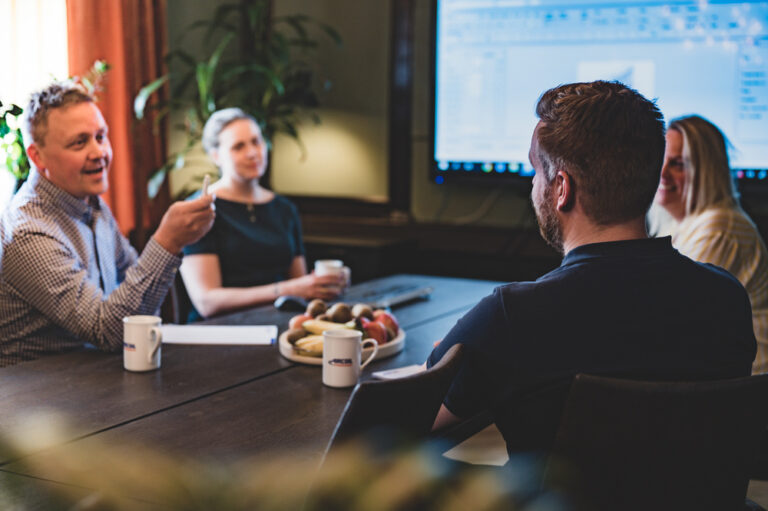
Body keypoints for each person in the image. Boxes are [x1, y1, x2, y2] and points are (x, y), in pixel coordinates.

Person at [426, 81, 756, 455]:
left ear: (561, 187)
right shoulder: (727, 300)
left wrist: (476, 347)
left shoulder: (512, 317)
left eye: (536, 171)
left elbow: (414, 413)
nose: (534, 185)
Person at [0, 82, 215, 367]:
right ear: (37, 157)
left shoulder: (91, 203)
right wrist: (168, 241)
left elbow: (136, 292)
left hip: (98, 377)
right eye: (79, 142)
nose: (99, 152)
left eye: (101, 137)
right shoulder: (29, 233)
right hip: (40, 398)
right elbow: (110, 332)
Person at [180, 108, 344, 321]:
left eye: (256, 141)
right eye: (239, 146)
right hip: (219, 333)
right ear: (216, 156)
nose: (252, 152)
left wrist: (325, 285)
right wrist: (288, 289)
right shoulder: (201, 209)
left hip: (283, 324)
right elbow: (207, 302)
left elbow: (302, 288)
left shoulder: (284, 209)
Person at [654, 115, 768, 373]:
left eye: (678, 164)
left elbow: (673, 317)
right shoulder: (683, 224)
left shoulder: (719, 229)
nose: (662, 173)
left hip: (748, 388)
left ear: (706, 171)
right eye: (660, 161)